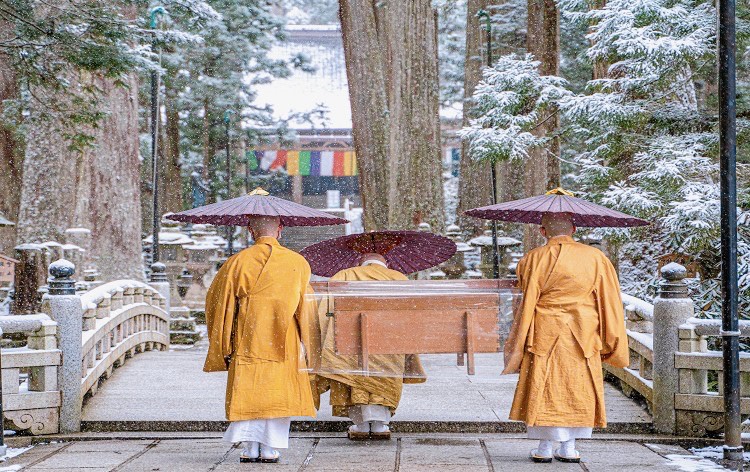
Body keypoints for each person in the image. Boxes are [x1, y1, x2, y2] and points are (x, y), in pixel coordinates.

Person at [502, 212, 628, 463]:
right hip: (583, 332)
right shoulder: (595, 258)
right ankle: (569, 447)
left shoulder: (533, 259)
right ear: (574, 229)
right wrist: (612, 339)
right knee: (577, 386)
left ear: (542, 232)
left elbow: (524, 298)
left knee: (544, 383)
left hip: (544, 331)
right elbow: (609, 300)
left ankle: (545, 447)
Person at [203, 215, 321, 463]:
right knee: (277, 391)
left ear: (249, 231)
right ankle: (270, 447)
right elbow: (306, 308)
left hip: (248, 335)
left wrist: (223, 342)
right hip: (284, 337)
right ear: (280, 230)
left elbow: (218, 304)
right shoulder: (297, 263)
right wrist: (311, 345)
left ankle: (249, 448)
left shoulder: (237, 262)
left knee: (250, 388)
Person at [317, 253, 426, 440]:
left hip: (351, 345)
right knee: (385, 365)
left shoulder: (344, 275)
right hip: (389, 343)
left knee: (354, 365)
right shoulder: (398, 278)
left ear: (360, 262)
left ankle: (360, 424)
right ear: (386, 263)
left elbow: (323, 313)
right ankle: (380, 424)